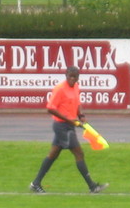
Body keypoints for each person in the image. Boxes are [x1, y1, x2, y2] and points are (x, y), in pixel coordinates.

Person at [29, 66, 108, 194]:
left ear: (78, 77)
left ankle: (36, 183)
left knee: (53, 154)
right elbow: (50, 108)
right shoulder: (60, 89)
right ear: (66, 75)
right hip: (62, 126)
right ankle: (92, 186)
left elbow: (77, 104)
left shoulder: (76, 87)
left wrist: (80, 115)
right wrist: (69, 120)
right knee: (79, 153)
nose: (72, 79)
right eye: (70, 76)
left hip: (69, 125)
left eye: (75, 77)